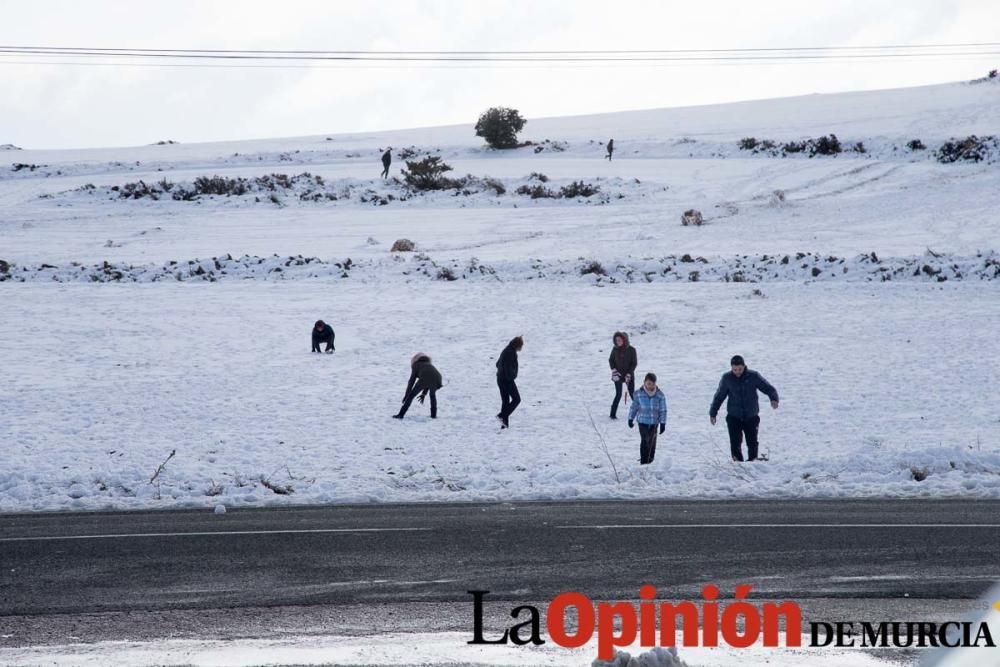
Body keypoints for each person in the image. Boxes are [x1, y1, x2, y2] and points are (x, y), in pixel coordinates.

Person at [709, 355, 780, 462]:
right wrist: (713, 413)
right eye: (734, 369)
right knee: (735, 443)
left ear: (744, 366)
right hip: (734, 417)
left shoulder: (753, 376)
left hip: (751, 416)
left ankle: (753, 463)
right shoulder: (727, 378)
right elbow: (719, 396)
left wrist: (773, 398)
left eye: (740, 369)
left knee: (752, 443)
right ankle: (738, 465)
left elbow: (768, 388)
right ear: (731, 368)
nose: (737, 372)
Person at [627, 372, 667, 465]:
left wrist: (663, 423)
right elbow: (634, 407)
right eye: (649, 383)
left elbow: (663, 410)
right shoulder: (638, 394)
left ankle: (650, 460)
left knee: (652, 442)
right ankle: (644, 461)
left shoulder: (660, 395)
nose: (651, 386)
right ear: (644, 382)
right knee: (645, 440)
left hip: (654, 423)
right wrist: (630, 418)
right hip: (642, 422)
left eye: (653, 384)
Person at [393, 353, 442, 419]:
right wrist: (424, 394)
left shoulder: (416, 365)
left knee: (411, 395)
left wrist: (407, 395)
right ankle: (433, 415)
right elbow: (429, 380)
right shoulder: (428, 364)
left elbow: (411, 381)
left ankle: (401, 414)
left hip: (426, 377)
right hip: (438, 377)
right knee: (432, 396)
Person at [495, 336, 523, 429]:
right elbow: (507, 368)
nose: (521, 348)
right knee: (517, 399)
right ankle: (502, 416)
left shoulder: (506, 350)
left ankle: (504, 425)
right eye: (521, 345)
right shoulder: (510, 353)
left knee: (505, 402)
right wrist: (511, 376)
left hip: (500, 379)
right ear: (517, 345)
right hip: (507, 380)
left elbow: (497, 364)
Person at [608, 331, 637, 419]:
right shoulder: (615, 349)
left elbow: (634, 363)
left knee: (632, 394)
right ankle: (612, 414)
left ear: (625, 340)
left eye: (619, 340)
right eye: (616, 340)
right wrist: (614, 371)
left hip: (629, 375)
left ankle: (640, 413)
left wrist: (629, 374)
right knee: (618, 394)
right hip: (618, 375)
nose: (618, 342)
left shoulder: (632, 350)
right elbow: (611, 360)